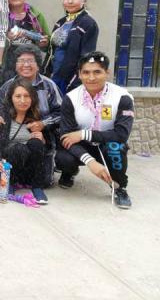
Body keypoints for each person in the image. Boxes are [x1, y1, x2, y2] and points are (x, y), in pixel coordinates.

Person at [55, 51, 133, 209]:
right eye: (86, 72)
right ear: (79, 75)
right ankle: (69, 172)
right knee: (63, 157)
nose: (91, 77)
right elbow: (66, 136)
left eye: (97, 72)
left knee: (115, 148)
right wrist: (91, 162)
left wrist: (84, 133)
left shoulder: (122, 97)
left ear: (107, 73)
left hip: (107, 143)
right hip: (81, 145)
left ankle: (119, 187)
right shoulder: (70, 98)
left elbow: (121, 135)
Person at [0, 44, 62, 185]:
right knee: (14, 156)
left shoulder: (49, 86)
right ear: (15, 65)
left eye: (30, 61)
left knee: (44, 182)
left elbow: (62, 114)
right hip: (11, 145)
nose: (26, 65)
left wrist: (43, 124)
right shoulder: (7, 86)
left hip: (40, 143)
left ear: (38, 65)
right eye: (21, 61)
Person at [0, 79, 50, 204]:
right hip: (4, 166)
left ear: (32, 98)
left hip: (26, 169)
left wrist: (43, 140)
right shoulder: (2, 116)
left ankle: (37, 187)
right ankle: (7, 184)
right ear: (11, 98)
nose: (22, 100)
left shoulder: (37, 118)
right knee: (17, 147)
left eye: (26, 96)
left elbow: (45, 151)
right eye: (18, 96)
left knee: (36, 142)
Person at [46, 0, 99, 94]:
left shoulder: (88, 23)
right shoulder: (60, 22)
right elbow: (52, 50)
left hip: (70, 79)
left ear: (84, 1)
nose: (70, 1)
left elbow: (86, 56)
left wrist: (75, 82)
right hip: (54, 75)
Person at [0, 0, 50, 85]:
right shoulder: (0, 15)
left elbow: (47, 43)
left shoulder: (36, 15)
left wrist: (44, 43)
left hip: (30, 63)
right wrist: (7, 38)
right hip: (7, 64)